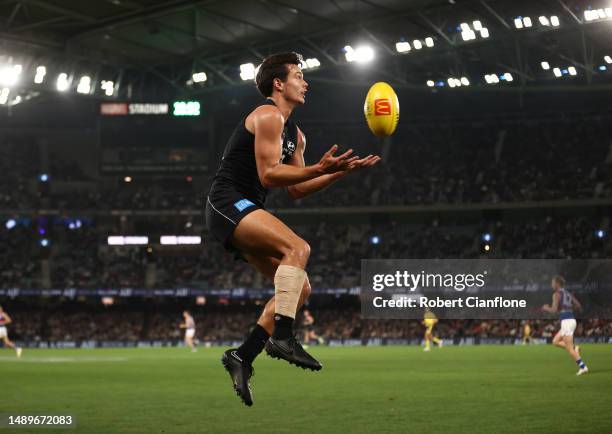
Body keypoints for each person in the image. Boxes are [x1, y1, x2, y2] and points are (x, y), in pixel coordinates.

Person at [206, 52, 380, 406]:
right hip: (228, 203)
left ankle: (242, 356)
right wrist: (319, 167)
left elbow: (297, 189)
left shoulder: (296, 135)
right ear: (279, 83)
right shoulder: (267, 114)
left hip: (248, 208)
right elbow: (270, 174)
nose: (306, 82)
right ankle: (283, 336)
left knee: (300, 288)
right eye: (299, 75)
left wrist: (337, 172)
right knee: (298, 249)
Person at [542, 275, 588, 376]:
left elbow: (553, 310)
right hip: (570, 320)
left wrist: (546, 308)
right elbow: (578, 305)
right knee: (555, 341)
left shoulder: (556, 294)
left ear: (557, 283)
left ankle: (583, 367)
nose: (551, 284)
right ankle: (575, 348)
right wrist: (568, 309)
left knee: (569, 349)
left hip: (567, 322)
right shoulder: (568, 293)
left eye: (553, 282)